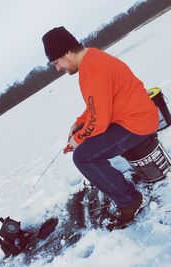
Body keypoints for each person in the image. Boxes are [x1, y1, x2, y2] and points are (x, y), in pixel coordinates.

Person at [42, 26, 159, 229]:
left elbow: (99, 121)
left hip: (136, 121)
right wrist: (79, 123)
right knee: (87, 146)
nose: (58, 68)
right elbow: (95, 105)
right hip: (130, 116)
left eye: (57, 62)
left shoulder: (93, 69)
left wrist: (78, 140)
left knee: (84, 157)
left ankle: (129, 201)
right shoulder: (92, 59)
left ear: (68, 52)